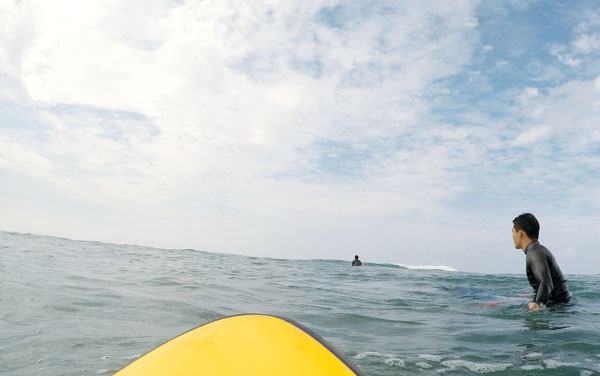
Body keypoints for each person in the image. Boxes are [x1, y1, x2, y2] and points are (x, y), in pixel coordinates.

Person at [512, 213, 571, 312]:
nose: (512, 236)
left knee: (495, 304)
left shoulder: (534, 253)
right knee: (506, 300)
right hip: (560, 304)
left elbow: (546, 282)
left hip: (558, 308)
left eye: (513, 232)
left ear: (520, 233)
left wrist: (537, 303)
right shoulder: (537, 250)